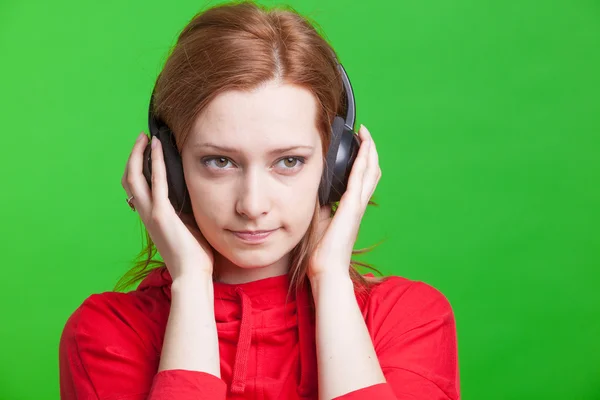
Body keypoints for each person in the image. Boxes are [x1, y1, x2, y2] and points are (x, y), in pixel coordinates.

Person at [58, 1, 460, 399]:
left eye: (289, 161)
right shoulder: (106, 334)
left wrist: (332, 282)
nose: (252, 205)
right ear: (170, 168)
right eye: (219, 161)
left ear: (337, 166)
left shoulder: (411, 320)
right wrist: (192, 284)